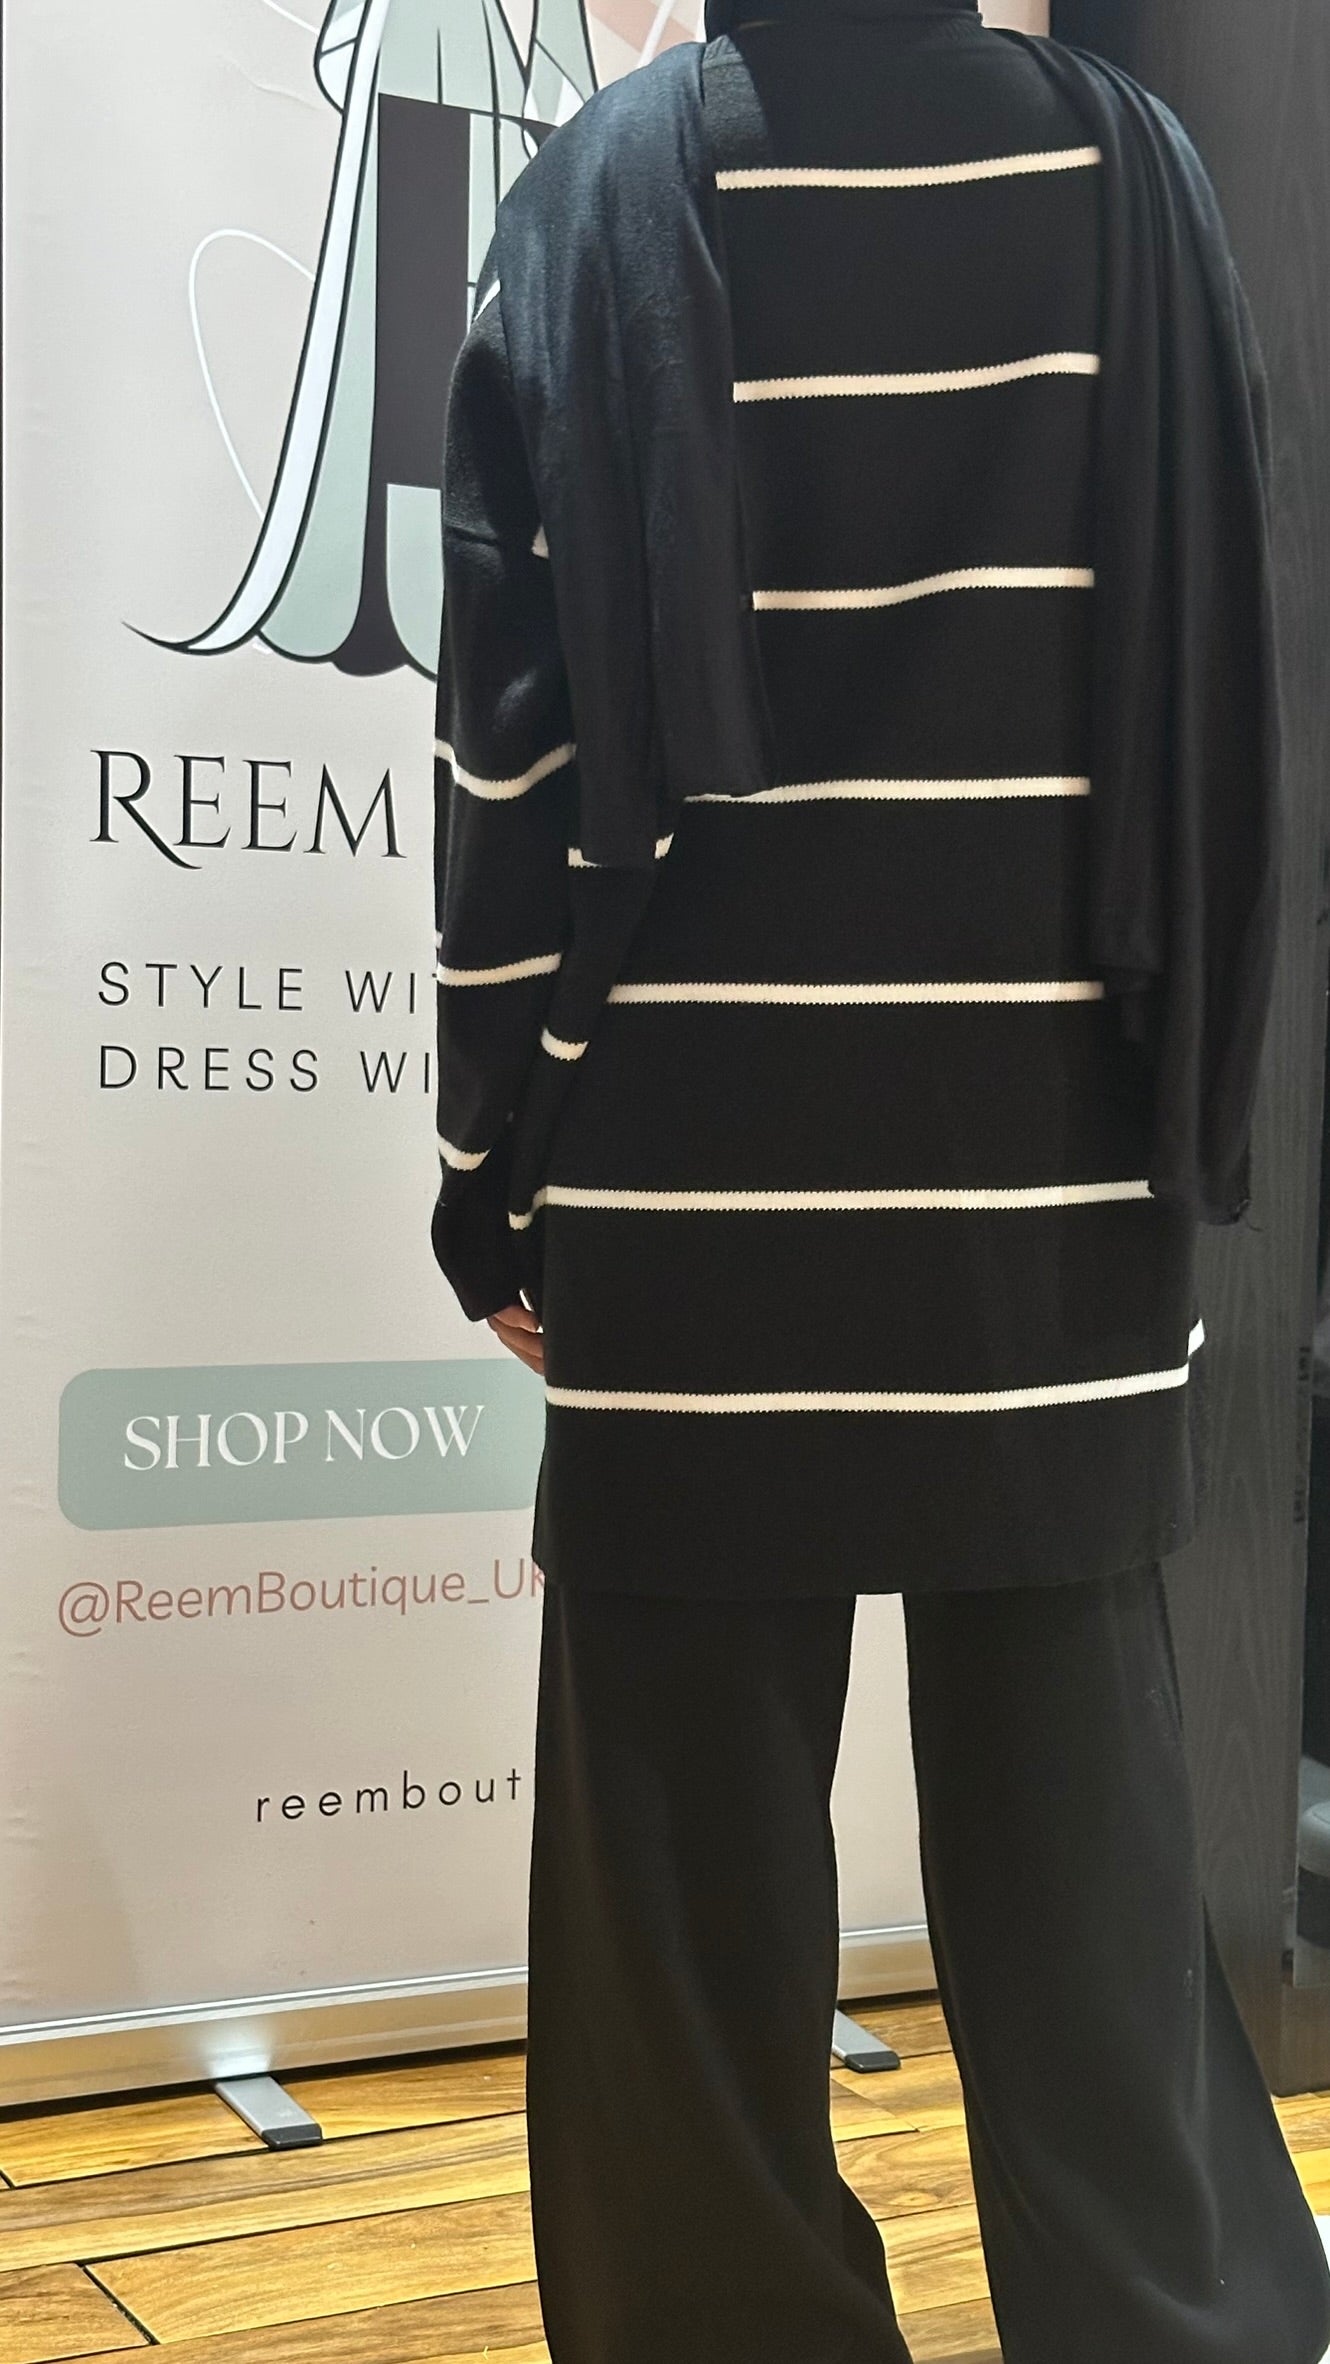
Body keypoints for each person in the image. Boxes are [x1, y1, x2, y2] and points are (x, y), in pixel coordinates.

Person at [428, 1, 1330, 2356]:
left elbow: (512, 765)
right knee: (1088, 1869)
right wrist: (1188, 1113)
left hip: (695, 1168)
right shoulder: (1129, 186)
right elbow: (1213, 682)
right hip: (1049, 1158)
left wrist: (488, 1163)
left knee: (674, 1907)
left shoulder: (599, 192)